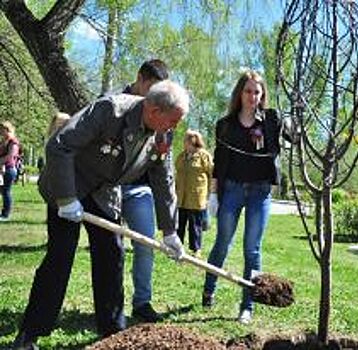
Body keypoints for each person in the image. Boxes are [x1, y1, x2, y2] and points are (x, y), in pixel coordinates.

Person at [11, 80, 189, 350]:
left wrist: (171, 231)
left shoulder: (163, 133)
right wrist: (67, 199)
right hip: (69, 182)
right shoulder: (110, 111)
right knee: (60, 257)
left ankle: (113, 335)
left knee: (111, 255)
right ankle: (29, 335)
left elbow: (163, 180)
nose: (173, 128)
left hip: (105, 193)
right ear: (153, 110)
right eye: (172, 120)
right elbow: (59, 146)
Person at [202, 70, 288, 324]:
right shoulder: (225, 125)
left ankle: (247, 305)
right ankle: (209, 289)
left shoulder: (270, 121)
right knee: (222, 243)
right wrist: (214, 195)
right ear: (240, 93)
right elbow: (219, 164)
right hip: (233, 189)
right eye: (248, 91)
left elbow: (289, 137)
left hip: (260, 192)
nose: (252, 96)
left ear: (262, 96)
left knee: (252, 249)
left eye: (257, 92)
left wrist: (290, 123)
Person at [120, 59, 171, 322]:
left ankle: (142, 302)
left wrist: (170, 229)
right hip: (109, 187)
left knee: (145, 244)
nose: (155, 98)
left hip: (139, 188)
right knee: (112, 247)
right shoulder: (114, 105)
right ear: (139, 79)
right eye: (150, 89)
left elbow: (162, 170)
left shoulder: (164, 114)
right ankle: (113, 306)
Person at [175, 129, 213, 257]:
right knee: (179, 224)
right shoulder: (182, 156)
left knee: (195, 225)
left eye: (186, 139)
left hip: (197, 197)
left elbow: (212, 174)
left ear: (193, 141)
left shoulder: (204, 156)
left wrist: (210, 194)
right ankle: (177, 246)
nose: (184, 142)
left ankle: (196, 249)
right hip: (181, 197)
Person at [0, 121, 21, 221]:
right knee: (3, 191)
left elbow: (10, 156)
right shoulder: (4, 141)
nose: (1, 132)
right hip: (1, 169)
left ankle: (5, 214)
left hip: (9, 169)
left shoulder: (13, 142)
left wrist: (0, 161)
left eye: (3, 130)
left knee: (6, 191)